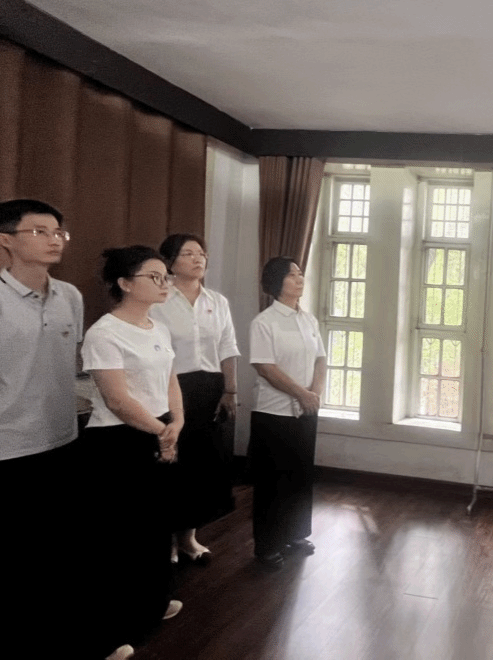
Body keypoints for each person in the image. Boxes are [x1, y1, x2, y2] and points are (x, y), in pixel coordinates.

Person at [0, 199, 85, 656]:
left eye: (58, 232)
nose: (54, 239)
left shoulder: (70, 296)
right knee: (4, 560)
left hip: (61, 437)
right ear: (5, 240)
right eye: (39, 231)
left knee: (53, 553)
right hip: (1, 445)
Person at [80, 246, 184, 659]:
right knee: (120, 539)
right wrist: (163, 431)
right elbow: (118, 400)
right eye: (154, 277)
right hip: (119, 442)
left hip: (159, 431)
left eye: (165, 277)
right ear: (124, 283)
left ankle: (152, 605)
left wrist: (177, 421)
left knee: (155, 528)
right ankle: (111, 631)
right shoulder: (104, 333)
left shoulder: (159, 328)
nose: (164, 284)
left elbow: (171, 380)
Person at [151, 233, 239, 565]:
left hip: (211, 388)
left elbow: (228, 347)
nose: (198, 258)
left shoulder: (217, 301)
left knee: (203, 465)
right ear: (170, 262)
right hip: (171, 387)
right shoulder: (159, 299)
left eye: (201, 253)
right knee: (173, 465)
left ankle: (189, 538)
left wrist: (230, 390)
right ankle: (166, 542)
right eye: (188, 253)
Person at [248, 257, 326, 570]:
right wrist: (301, 394)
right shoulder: (264, 322)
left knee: (300, 476)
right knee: (273, 482)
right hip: (274, 412)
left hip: (306, 410)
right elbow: (265, 367)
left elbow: (320, 359)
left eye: (300, 273)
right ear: (276, 282)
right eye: (292, 275)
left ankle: (296, 534)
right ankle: (267, 546)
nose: (299, 278)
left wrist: (314, 393)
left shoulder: (308, 320)